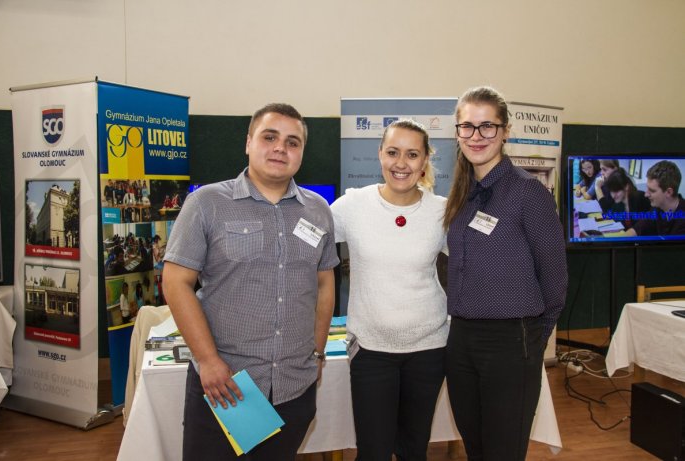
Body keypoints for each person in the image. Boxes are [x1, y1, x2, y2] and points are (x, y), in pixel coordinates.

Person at [162, 103, 339, 461]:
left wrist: (318, 353)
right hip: (226, 386)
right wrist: (208, 360)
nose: (280, 148)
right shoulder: (206, 203)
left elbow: (324, 284)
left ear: (301, 152)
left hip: (294, 385)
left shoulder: (318, 210)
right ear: (248, 143)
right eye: (269, 137)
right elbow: (176, 282)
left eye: (292, 142)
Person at [443, 86, 568, 461]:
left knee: (503, 450)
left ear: (505, 131)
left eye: (487, 127)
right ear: (457, 132)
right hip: (462, 338)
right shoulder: (462, 195)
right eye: (467, 127)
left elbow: (555, 274)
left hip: (512, 340)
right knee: (476, 446)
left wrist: (532, 336)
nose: (476, 136)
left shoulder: (528, 191)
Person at [330, 119, 448, 461]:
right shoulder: (352, 206)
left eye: (413, 154)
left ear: (425, 160)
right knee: (372, 452)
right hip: (371, 350)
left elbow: (478, 262)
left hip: (429, 350)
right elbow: (307, 242)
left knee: (414, 451)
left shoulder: (441, 211)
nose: (401, 163)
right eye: (393, 152)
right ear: (380, 153)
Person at [625, 160, 685, 236]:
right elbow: (637, 229)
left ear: (669, 192)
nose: (646, 194)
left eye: (652, 191)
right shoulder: (658, 208)